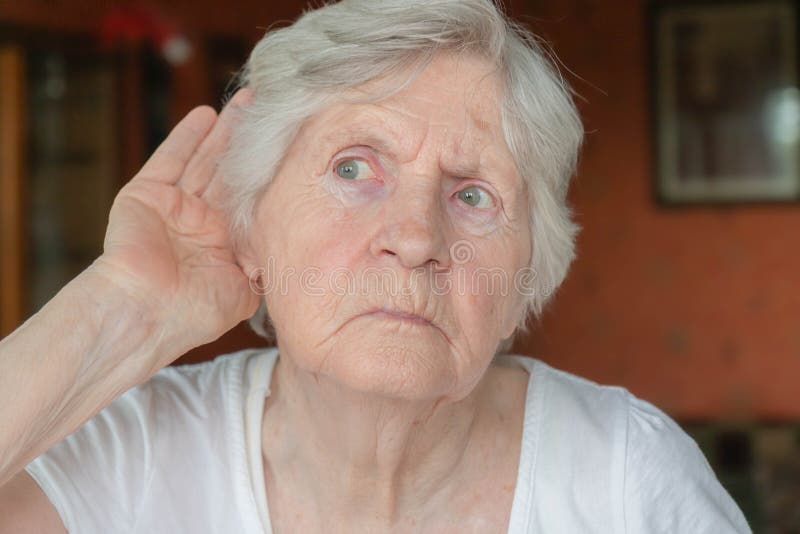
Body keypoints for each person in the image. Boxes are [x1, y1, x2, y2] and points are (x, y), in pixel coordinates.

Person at [0, 0, 751, 532]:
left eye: (473, 193)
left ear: (529, 273)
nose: (415, 237)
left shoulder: (624, 475)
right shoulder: (133, 451)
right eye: (354, 169)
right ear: (251, 224)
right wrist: (122, 306)